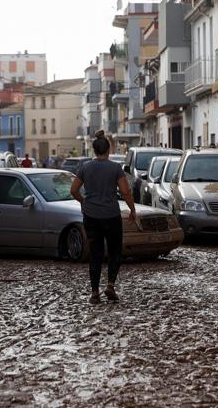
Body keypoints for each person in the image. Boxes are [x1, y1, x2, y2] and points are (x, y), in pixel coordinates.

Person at [71, 129, 137, 305]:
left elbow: (73, 190)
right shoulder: (115, 168)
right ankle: (110, 285)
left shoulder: (85, 167)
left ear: (94, 150)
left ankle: (94, 293)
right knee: (115, 251)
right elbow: (125, 191)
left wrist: (84, 202)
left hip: (91, 216)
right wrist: (132, 210)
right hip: (111, 215)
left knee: (96, 253)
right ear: (108, 150)